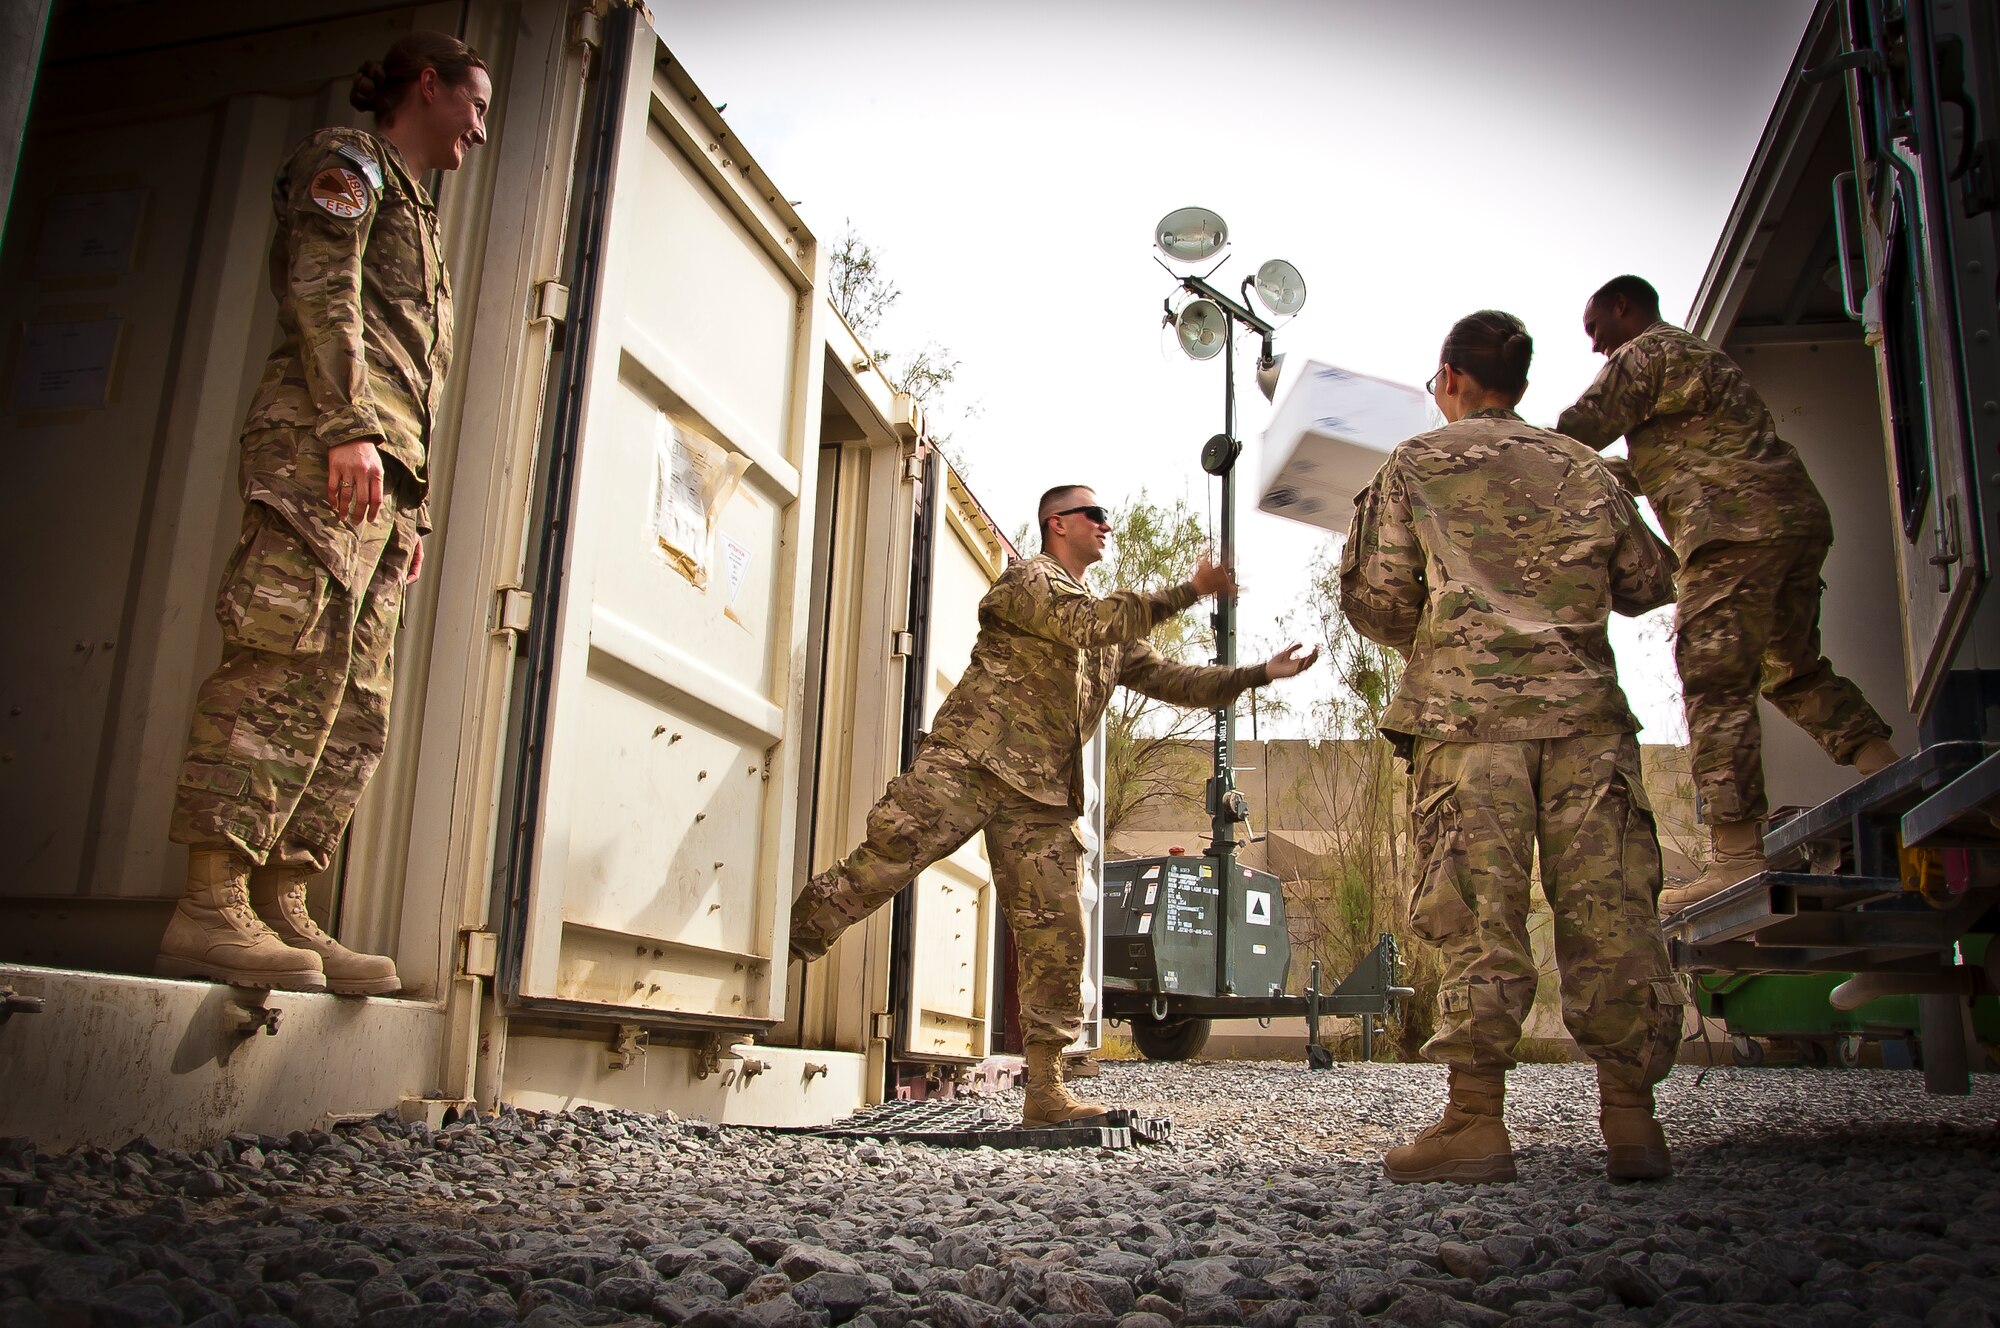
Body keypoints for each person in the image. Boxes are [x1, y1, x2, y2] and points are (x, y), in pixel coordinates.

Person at [789, 484, 1320, 1125]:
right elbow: (1092, 623)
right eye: (1095, 514)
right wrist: (1188, 589)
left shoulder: (1104, 625)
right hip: (970, 764)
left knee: (1058, 941)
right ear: (1057, 523)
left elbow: (1173, 680)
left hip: (1040, 798)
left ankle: (1044, 1094)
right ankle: (774, 956)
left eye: (1107, 516)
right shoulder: (1030, 584)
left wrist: (1259, 674)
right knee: (875, 871)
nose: (1107, 525)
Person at [155, 34, 491, 994]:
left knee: (354, 702)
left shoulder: (423, 215)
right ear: (426, 86)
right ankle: (209, 903)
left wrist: (413, 509)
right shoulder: (348, 165)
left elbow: (410, 365)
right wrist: (348, 428)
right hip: (323, 452)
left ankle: (284, 902)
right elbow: (321, 292)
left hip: (383, 486)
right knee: (280, 660)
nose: (478, 126)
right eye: (474, 103)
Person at [1342, 310, 1685, 1184]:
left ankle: (1475, 1123)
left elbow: (1380, 601)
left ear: (1451, 378)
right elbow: (1649, 583)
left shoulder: (1417, 463)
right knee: (1611, 912)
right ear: (1521, 384)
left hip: (1470, 727)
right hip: (1587, 725)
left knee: (1475, 916)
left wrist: (1459, 620)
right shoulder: (1584, 467)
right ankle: (1631, 1122)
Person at [1556, 275, 1898, 914]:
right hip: (1790, 522)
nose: (1595, 345)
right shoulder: (1698, 362)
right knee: (1792, 671)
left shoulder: (1645, 354)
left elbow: (1576, 432)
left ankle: (1737, 858)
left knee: (1714, 684)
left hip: (1731, 531)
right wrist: (1614, 477)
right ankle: (1889, 772)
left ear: (1622, 308)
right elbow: (1676, 457)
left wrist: (1495, 452)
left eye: (1595, 326)